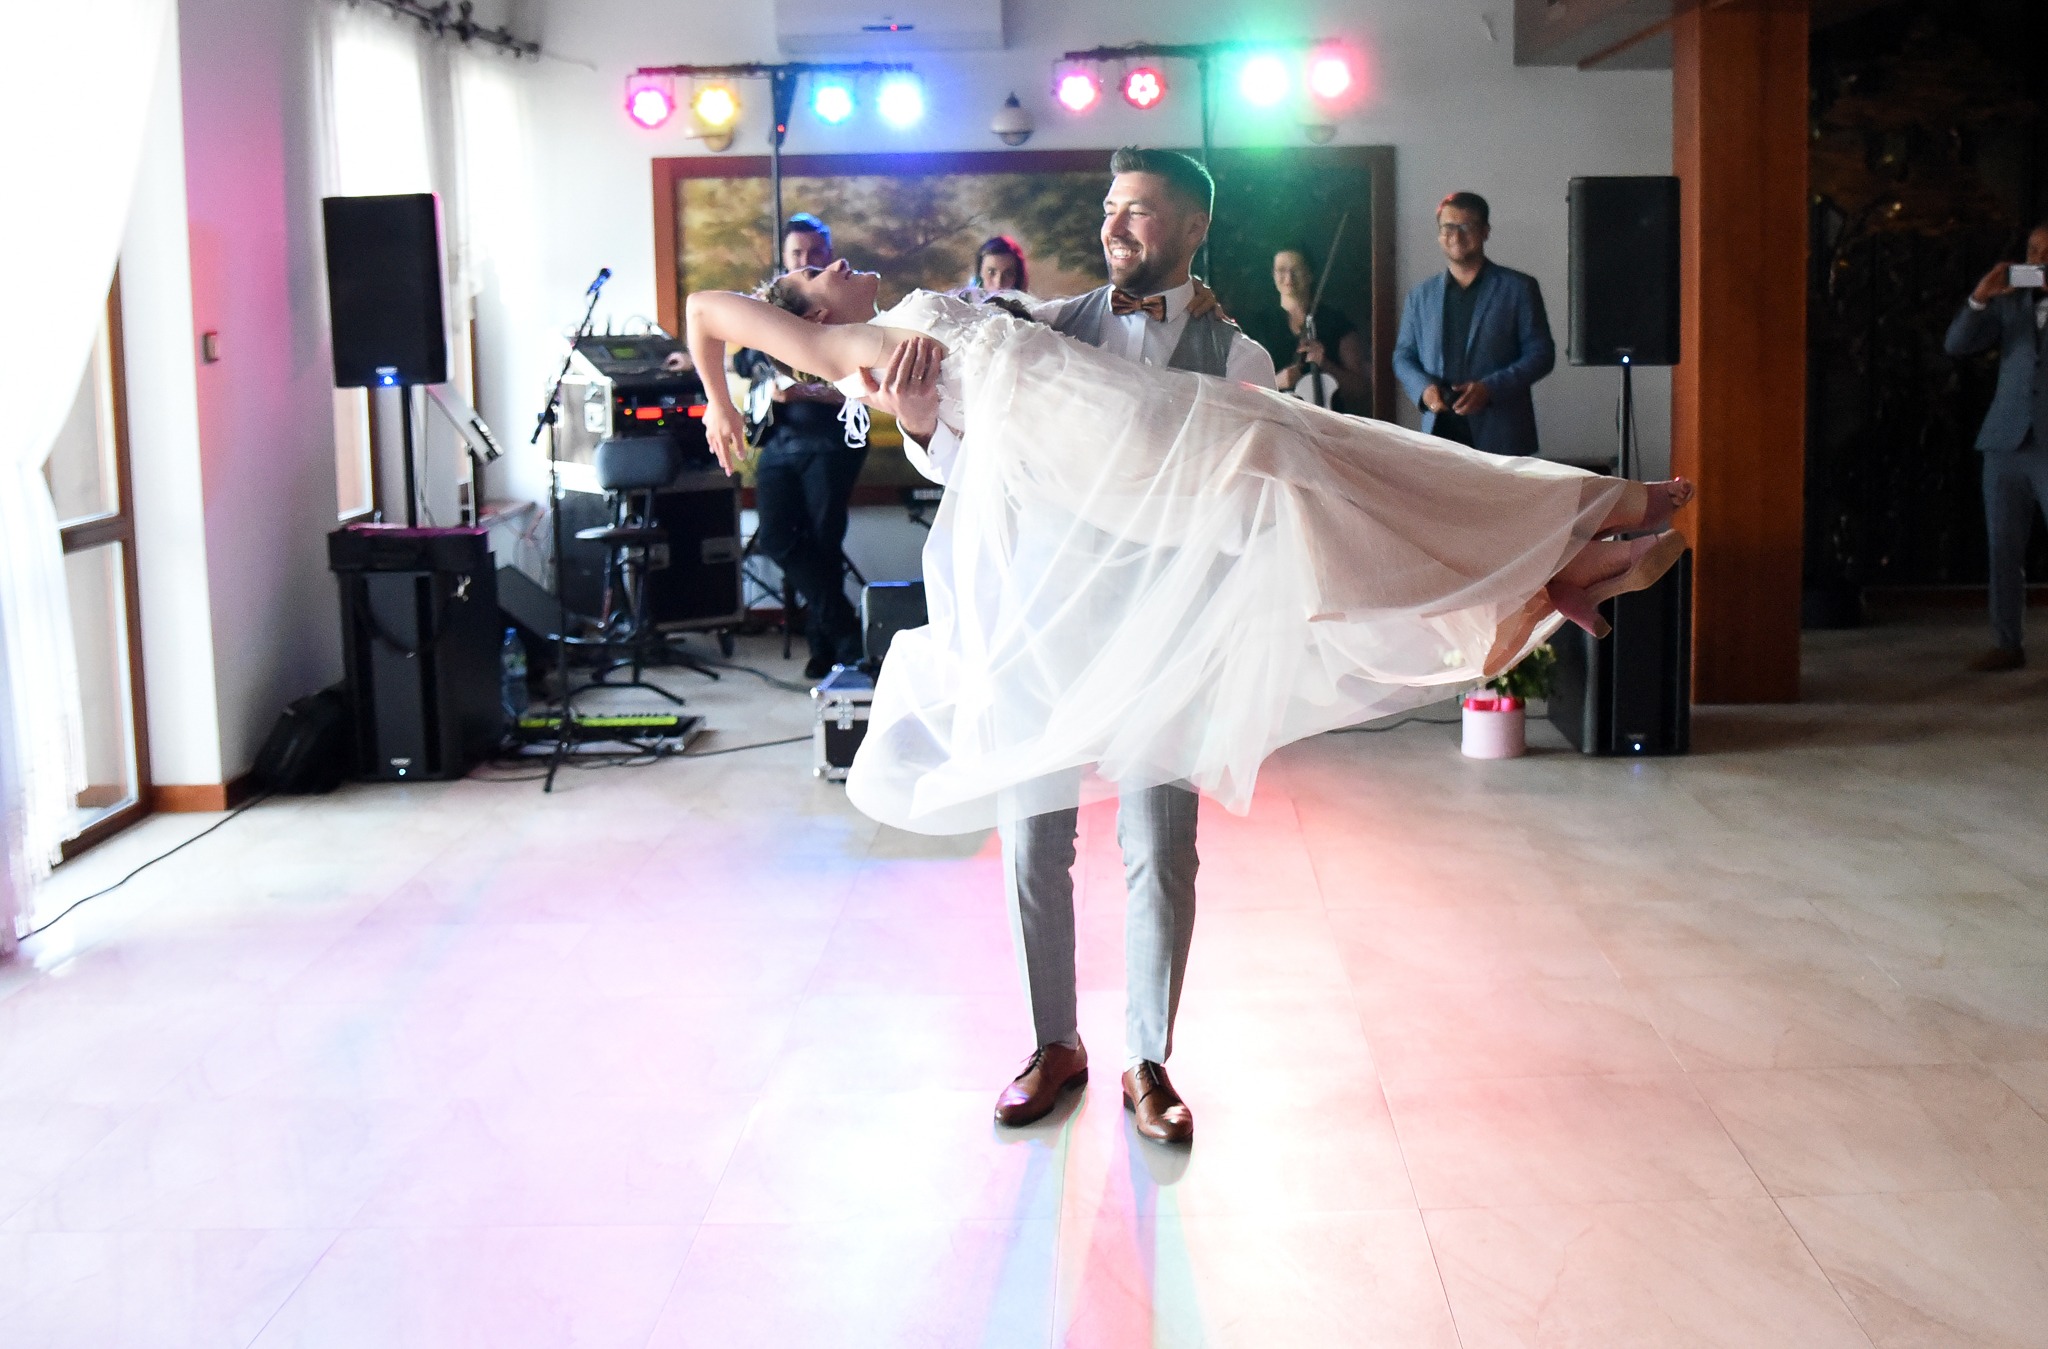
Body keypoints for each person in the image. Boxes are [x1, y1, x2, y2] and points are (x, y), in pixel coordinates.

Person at [684, 154, 1694, 1147]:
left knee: (1169, 836)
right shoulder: (1044, 320)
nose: (1114, 225)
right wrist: (905, 419)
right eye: (1109, 207)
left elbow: (1245, 519)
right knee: (1032, 844)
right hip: (1038, 616)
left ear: (1193, 227)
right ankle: (1052, 1044)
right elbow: (964, 446)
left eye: (1137, 209)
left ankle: (1148, 1058)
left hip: (1160, 623)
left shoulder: (1235, 354)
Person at [738, 213, 866, 679]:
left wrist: (805, 391)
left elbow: (864, 388)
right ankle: (845, 633)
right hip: (778, 442)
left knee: (824, 544)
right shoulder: (771, 310)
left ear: (828, 255)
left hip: (831, 442)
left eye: (814, 253)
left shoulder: (845, 312)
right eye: (797, 253)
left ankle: (825, 648)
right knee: (776, 538)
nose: (805, 259)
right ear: (784, 257)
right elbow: (744, 363)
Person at [1945, 222, 2048, 671]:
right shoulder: (2010, 303)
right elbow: (1956, 344)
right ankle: (2007, 644)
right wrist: (1980, 297)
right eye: (2034, 250)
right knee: (2002, 547)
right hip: (2005, 442)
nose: (2039, 259)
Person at [1392, 192, 1555, 455]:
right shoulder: (1420, 296)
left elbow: (1541, 354)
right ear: (1439, 234)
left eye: (1466, 226)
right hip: (1439, 432)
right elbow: (1403, 356)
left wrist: (1490, 389)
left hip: (1502, 434)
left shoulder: (1519, 288)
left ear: (1485, 231)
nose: (1456, 236)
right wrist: (1423, 390)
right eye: (1448, 227)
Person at [1246, 245, 1369, 413]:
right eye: (1281, 270)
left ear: (1310, 274)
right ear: (1273, 275)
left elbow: (1360, 390)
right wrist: (1276, 382)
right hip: (1274, 421)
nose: (1289, 277)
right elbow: (1241, 388)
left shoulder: (1337, 323)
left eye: (1296, 270)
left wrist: (1324, 363)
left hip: (1327, 422)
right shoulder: (1259, 325)